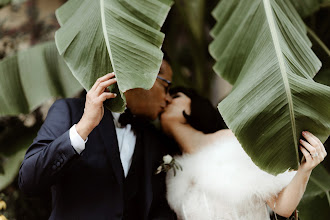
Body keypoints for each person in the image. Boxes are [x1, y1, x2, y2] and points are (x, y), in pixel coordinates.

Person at [18, 60, 177, 219]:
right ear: (146, 76)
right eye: (166, 87)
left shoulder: (153, 139)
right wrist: (84, 127)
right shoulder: (69, 110)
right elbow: (29, 180)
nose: (168, 98)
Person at [160, 88, 327, 220]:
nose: (166, 99)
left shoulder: (231, 141)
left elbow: (281, 206)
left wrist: (305, 170)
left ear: (194, 104)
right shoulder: (169, 164)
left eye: (175, 95)